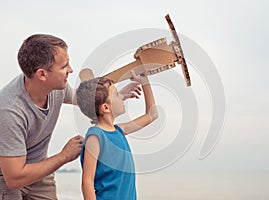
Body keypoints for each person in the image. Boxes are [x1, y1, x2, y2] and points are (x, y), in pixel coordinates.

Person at [0, 34, 140, 200]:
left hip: (41, 175)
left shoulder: (58, 88)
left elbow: (88, 101)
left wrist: (118, 97)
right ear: (42, 74)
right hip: (8, 180)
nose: (71, 70)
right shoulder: (9, 111)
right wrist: (64, 156)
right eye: (64, 66)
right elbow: (14, 178)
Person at [76, 72, 158, 200]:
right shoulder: (95, 136)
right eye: (116, 94)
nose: (122, 96)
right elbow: (87, 182)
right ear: (105, 107)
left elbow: (152, 114)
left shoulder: (120, 130)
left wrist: (145, 82)